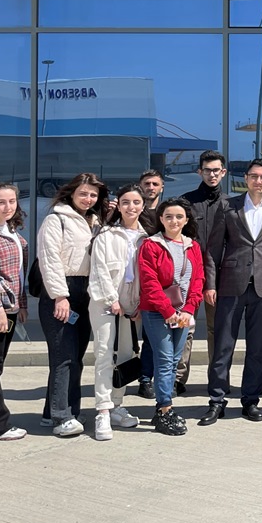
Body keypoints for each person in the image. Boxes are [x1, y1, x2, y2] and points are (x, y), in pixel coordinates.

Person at [200, 158, 262, 426]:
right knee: (223, 346)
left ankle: (250, 400)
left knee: (258, 348)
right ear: (245, 178)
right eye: (253, 176)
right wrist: (210, 285)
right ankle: (216, 401)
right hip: (230, 285)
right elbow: (213, 250)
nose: (258, 181)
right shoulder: (227, 206)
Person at [37, 172, 108, 437]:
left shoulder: (94, 220)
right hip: (63, 290)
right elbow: (49, 258)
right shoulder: (56, 219)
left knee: (74, 356)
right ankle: (61, 417)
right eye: (83, 194)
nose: (88, 199)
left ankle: (58, 411)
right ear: (71, 193)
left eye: (93, 195)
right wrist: (60, 295)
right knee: (63, 356)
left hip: (87, 290)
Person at [88, 184, 150, 441]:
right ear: (118, 205)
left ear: (143, 206)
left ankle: (116, 404)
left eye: (136, 202)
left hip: (132, 306)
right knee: (104, 354)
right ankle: (102, 410)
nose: (131, 207)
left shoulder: (147, 238)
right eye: (126, 202)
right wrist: (113, 300)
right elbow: (100, 270)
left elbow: (147, 276)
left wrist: (139, 305)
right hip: (105, 303)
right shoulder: (106, 235)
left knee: (126, 356)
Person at [138, 199, 205, 435]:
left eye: (178, 217)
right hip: (158, 313)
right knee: (165, 359)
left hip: (184, 313)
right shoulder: (151, 245)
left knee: (174, 360)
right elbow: (149, 283)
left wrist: (188, 310)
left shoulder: (193, 246)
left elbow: (197, 281)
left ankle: (164, 404)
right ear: (161, 219)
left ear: (186, 220)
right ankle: (164, 409)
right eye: (168, 216)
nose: (173, 221)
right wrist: (168, 312)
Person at [178, 149, 228, 396]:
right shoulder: (185, 202)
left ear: (223, 172)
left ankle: (217, 379)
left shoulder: (230, 204)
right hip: (187, 277)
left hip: (218, 278)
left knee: (216, 330)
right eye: (207, 170)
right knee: (184, 327)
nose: (211, 174)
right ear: (200, 172)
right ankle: (178, 378)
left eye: (216, 170)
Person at [0, 183, 29, 441]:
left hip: (9, 310)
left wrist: (21, 305)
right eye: (1, 202)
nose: (8, 207)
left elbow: (18, 275)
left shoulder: (12, 231)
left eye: (12, 201)